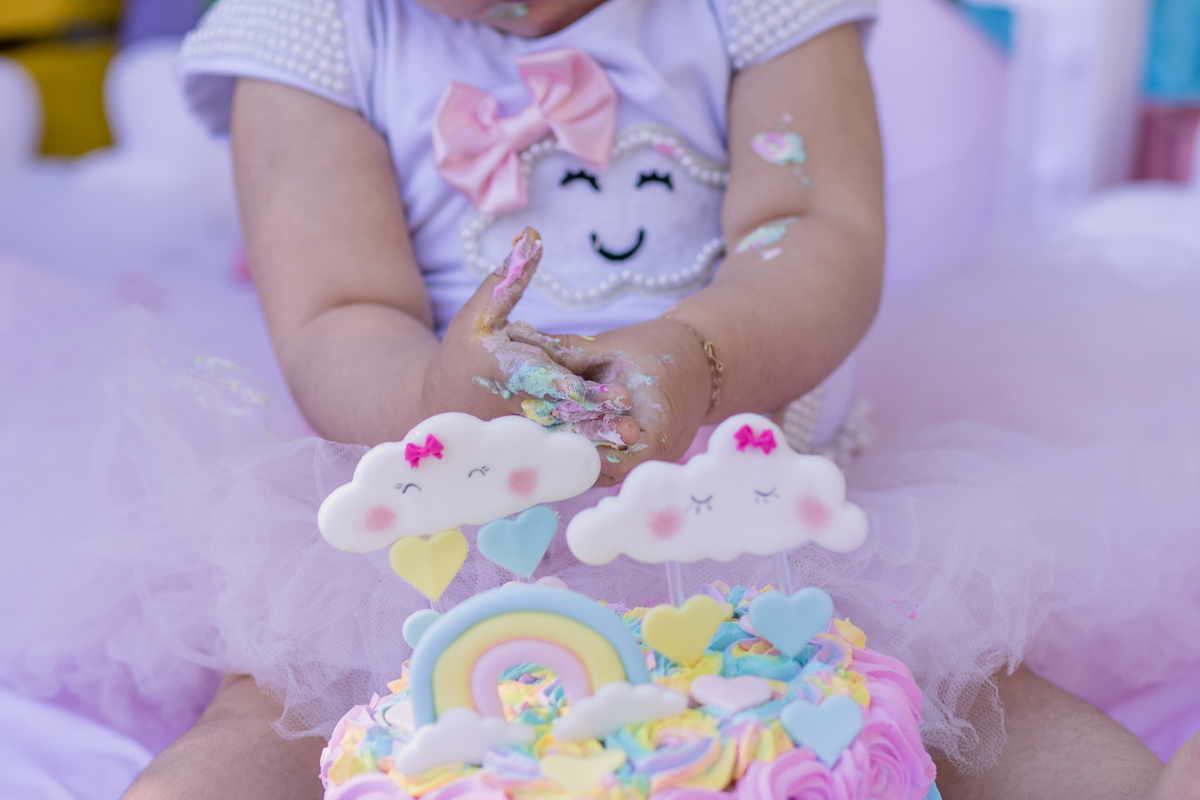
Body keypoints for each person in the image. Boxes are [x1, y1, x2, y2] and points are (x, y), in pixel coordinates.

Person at [0, 0, 1196, 797]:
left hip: (762, 497)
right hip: (433, 525)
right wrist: (433, 389)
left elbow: (818, 228)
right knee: (273, 710)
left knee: (963, 686)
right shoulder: (308, 32)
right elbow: (334, 313)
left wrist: (699, 356)